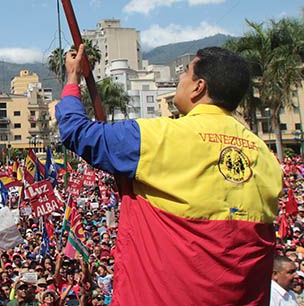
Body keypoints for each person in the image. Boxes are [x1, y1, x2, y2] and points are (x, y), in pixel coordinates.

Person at [56, 45, 283, 305]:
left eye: (185, 72)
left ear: (198, 87)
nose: (179, 79)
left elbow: (76, 131)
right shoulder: (264, 156)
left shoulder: (158, 137)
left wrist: (73, 77)